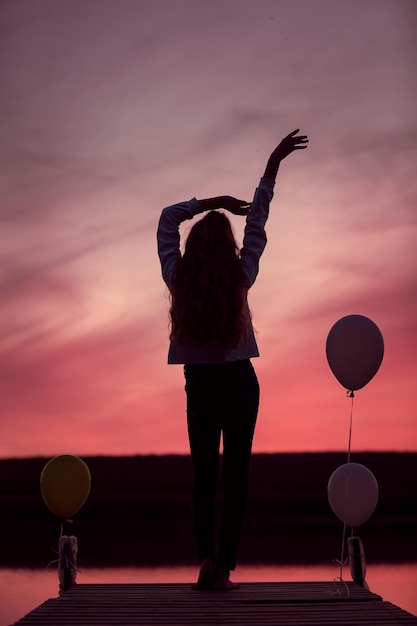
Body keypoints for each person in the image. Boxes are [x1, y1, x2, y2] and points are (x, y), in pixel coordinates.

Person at [157, 129, 308, 590]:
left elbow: (166, 220)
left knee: (205, 477)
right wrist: (271, 168)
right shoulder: (241, 275)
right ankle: (223, 568)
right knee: (236, 477)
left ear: (195, 246)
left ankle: (205, 559)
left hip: (200, 384)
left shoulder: (178, 278)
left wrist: (208, 202)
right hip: (240, 382)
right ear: (227, 248)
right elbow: (257, 223)